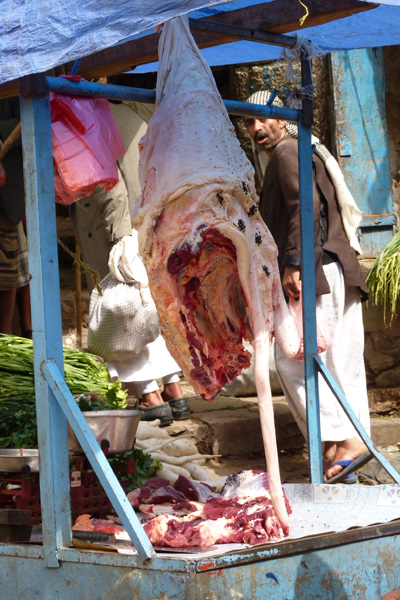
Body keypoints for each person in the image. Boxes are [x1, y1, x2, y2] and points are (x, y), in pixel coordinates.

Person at [244, 89, 371, 483]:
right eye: (250, 121)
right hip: (332, 267)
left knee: (294, 361)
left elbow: (306, 207)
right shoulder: (299, 149)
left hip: (318, 269)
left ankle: (348, 442)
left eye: (264, 118)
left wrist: (295, 261)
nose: (257, 128)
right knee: (338, 360)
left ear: (282, 119)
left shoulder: (286, 152)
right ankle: (336, 451)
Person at [72, 100, 191, 424]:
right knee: (146, 310)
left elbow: (109, 190)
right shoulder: (132, 113)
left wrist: (120, 240)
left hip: (118, 231)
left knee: (119, 316)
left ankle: (150, 396)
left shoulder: (84, 119)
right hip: (148, 223)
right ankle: (173, 390)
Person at [0, 97, 27, 335]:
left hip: (8, 190)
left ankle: (7, 334)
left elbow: (27, 117)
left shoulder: (14, 80)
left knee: (10, 264)